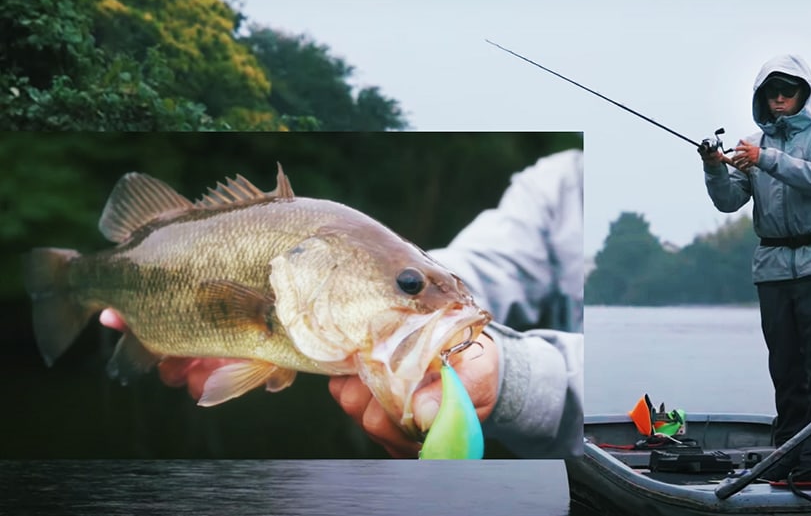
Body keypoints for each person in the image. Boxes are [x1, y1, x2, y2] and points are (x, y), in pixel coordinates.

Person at [100, 148, 584, 459]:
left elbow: (456, 296)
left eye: (411, 285)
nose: (416, 293)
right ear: (316, 266)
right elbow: (489, 262)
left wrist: (514, 377)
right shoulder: (556, 181)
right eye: (410, 284)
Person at [699, 55, 811, 479]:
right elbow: (730, 200)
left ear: (804, 93)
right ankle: (788, 451)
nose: (779, 99)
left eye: (788, 91)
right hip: (773, 269)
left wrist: (764, 160)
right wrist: (714, 168)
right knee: (785, 369)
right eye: (771, 93)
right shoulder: (754, 144)